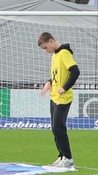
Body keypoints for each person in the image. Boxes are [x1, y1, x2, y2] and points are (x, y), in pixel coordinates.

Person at [39, 32, 80, 172]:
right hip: (54, 97)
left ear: (51, 41)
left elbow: (75, 71)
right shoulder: (55, 55)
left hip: (63, 98)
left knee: (59, 127)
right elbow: (56, 76)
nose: (46, 51)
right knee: (54, 129)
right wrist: (49, 83)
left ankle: (68, 158)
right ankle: (62, 156)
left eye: (46, 48)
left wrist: (65, 87)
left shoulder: (64, 53)